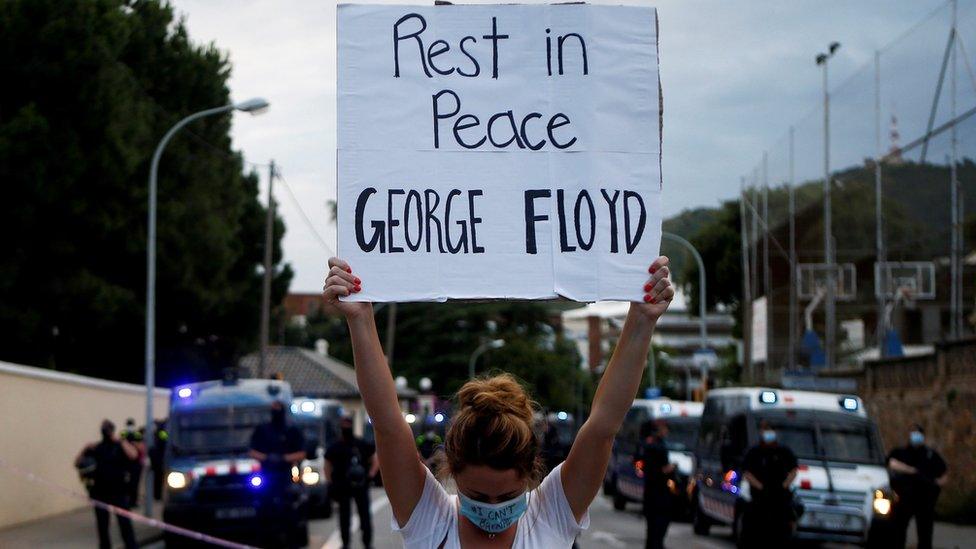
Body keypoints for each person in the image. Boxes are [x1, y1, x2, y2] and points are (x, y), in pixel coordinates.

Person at [322, 255, 674, 547]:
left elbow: (602, 427)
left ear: (529, 476)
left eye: (506, 498)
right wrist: (360, 318)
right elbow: (387, 425)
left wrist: (642, 320)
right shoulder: (430, 522)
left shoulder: (550, 516)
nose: (492, 509)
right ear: (453, 475)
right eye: (477, 496)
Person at [74, 419, 139, 549]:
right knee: (103, 526)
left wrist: (121, 441)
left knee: (125, 524)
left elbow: (134, 455)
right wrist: (85, 448)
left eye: (107, 428)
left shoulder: (119, 445)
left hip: (118, 492)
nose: (106, 431)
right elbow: (77, 463)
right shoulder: (97, 447)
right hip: (100, 492)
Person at [887, 424, 948, 549]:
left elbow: (944, 473)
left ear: (922, 436)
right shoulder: (901, 452)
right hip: (904, 498)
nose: (916, 436)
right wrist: (911, 470)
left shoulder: (930, 455)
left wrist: (936, 486)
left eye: (918, 433)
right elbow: (891, 463)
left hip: (925, 500)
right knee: (898, 530)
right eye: (913, 433)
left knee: (925, 532)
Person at [325, 417, 381, 549]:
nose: (346, 427)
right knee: (344, 517)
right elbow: (327, 464)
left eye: (348, 424)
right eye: (343, 424)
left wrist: (370, 476)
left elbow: (375, 459)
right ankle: (345, 543)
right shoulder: (335, 446)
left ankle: (367, 543)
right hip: (342, 485)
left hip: (361, 485)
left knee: (365, 516)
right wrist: (330, 482)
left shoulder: (361, 444)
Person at [741, 419, 798, 546]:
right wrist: (760, 486)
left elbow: (794, 470)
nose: (768, 434)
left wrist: (784, 485)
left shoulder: (783, 451)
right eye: (765, 430)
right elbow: (747, 472)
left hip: (780, 500)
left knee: (781, 534)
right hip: (759, 500)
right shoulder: (755, 452)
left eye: (770, 430)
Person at [638, 419, 673, 549]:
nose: (666, 431)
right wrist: (672, 468)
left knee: (651, 527)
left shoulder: (647, 444)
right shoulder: (660, 447)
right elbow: (663, 469)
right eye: (664, 429)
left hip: (649, 491)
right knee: (659, 525)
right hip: (659, 492)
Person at [149, 419, 168, 501]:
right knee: (159, 480)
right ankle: (158, 496)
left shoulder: (155, 433)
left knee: (157, 480)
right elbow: (166, 441)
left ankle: (157, 495)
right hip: (159, 459)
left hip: (156, 460)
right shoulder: (162, 433)